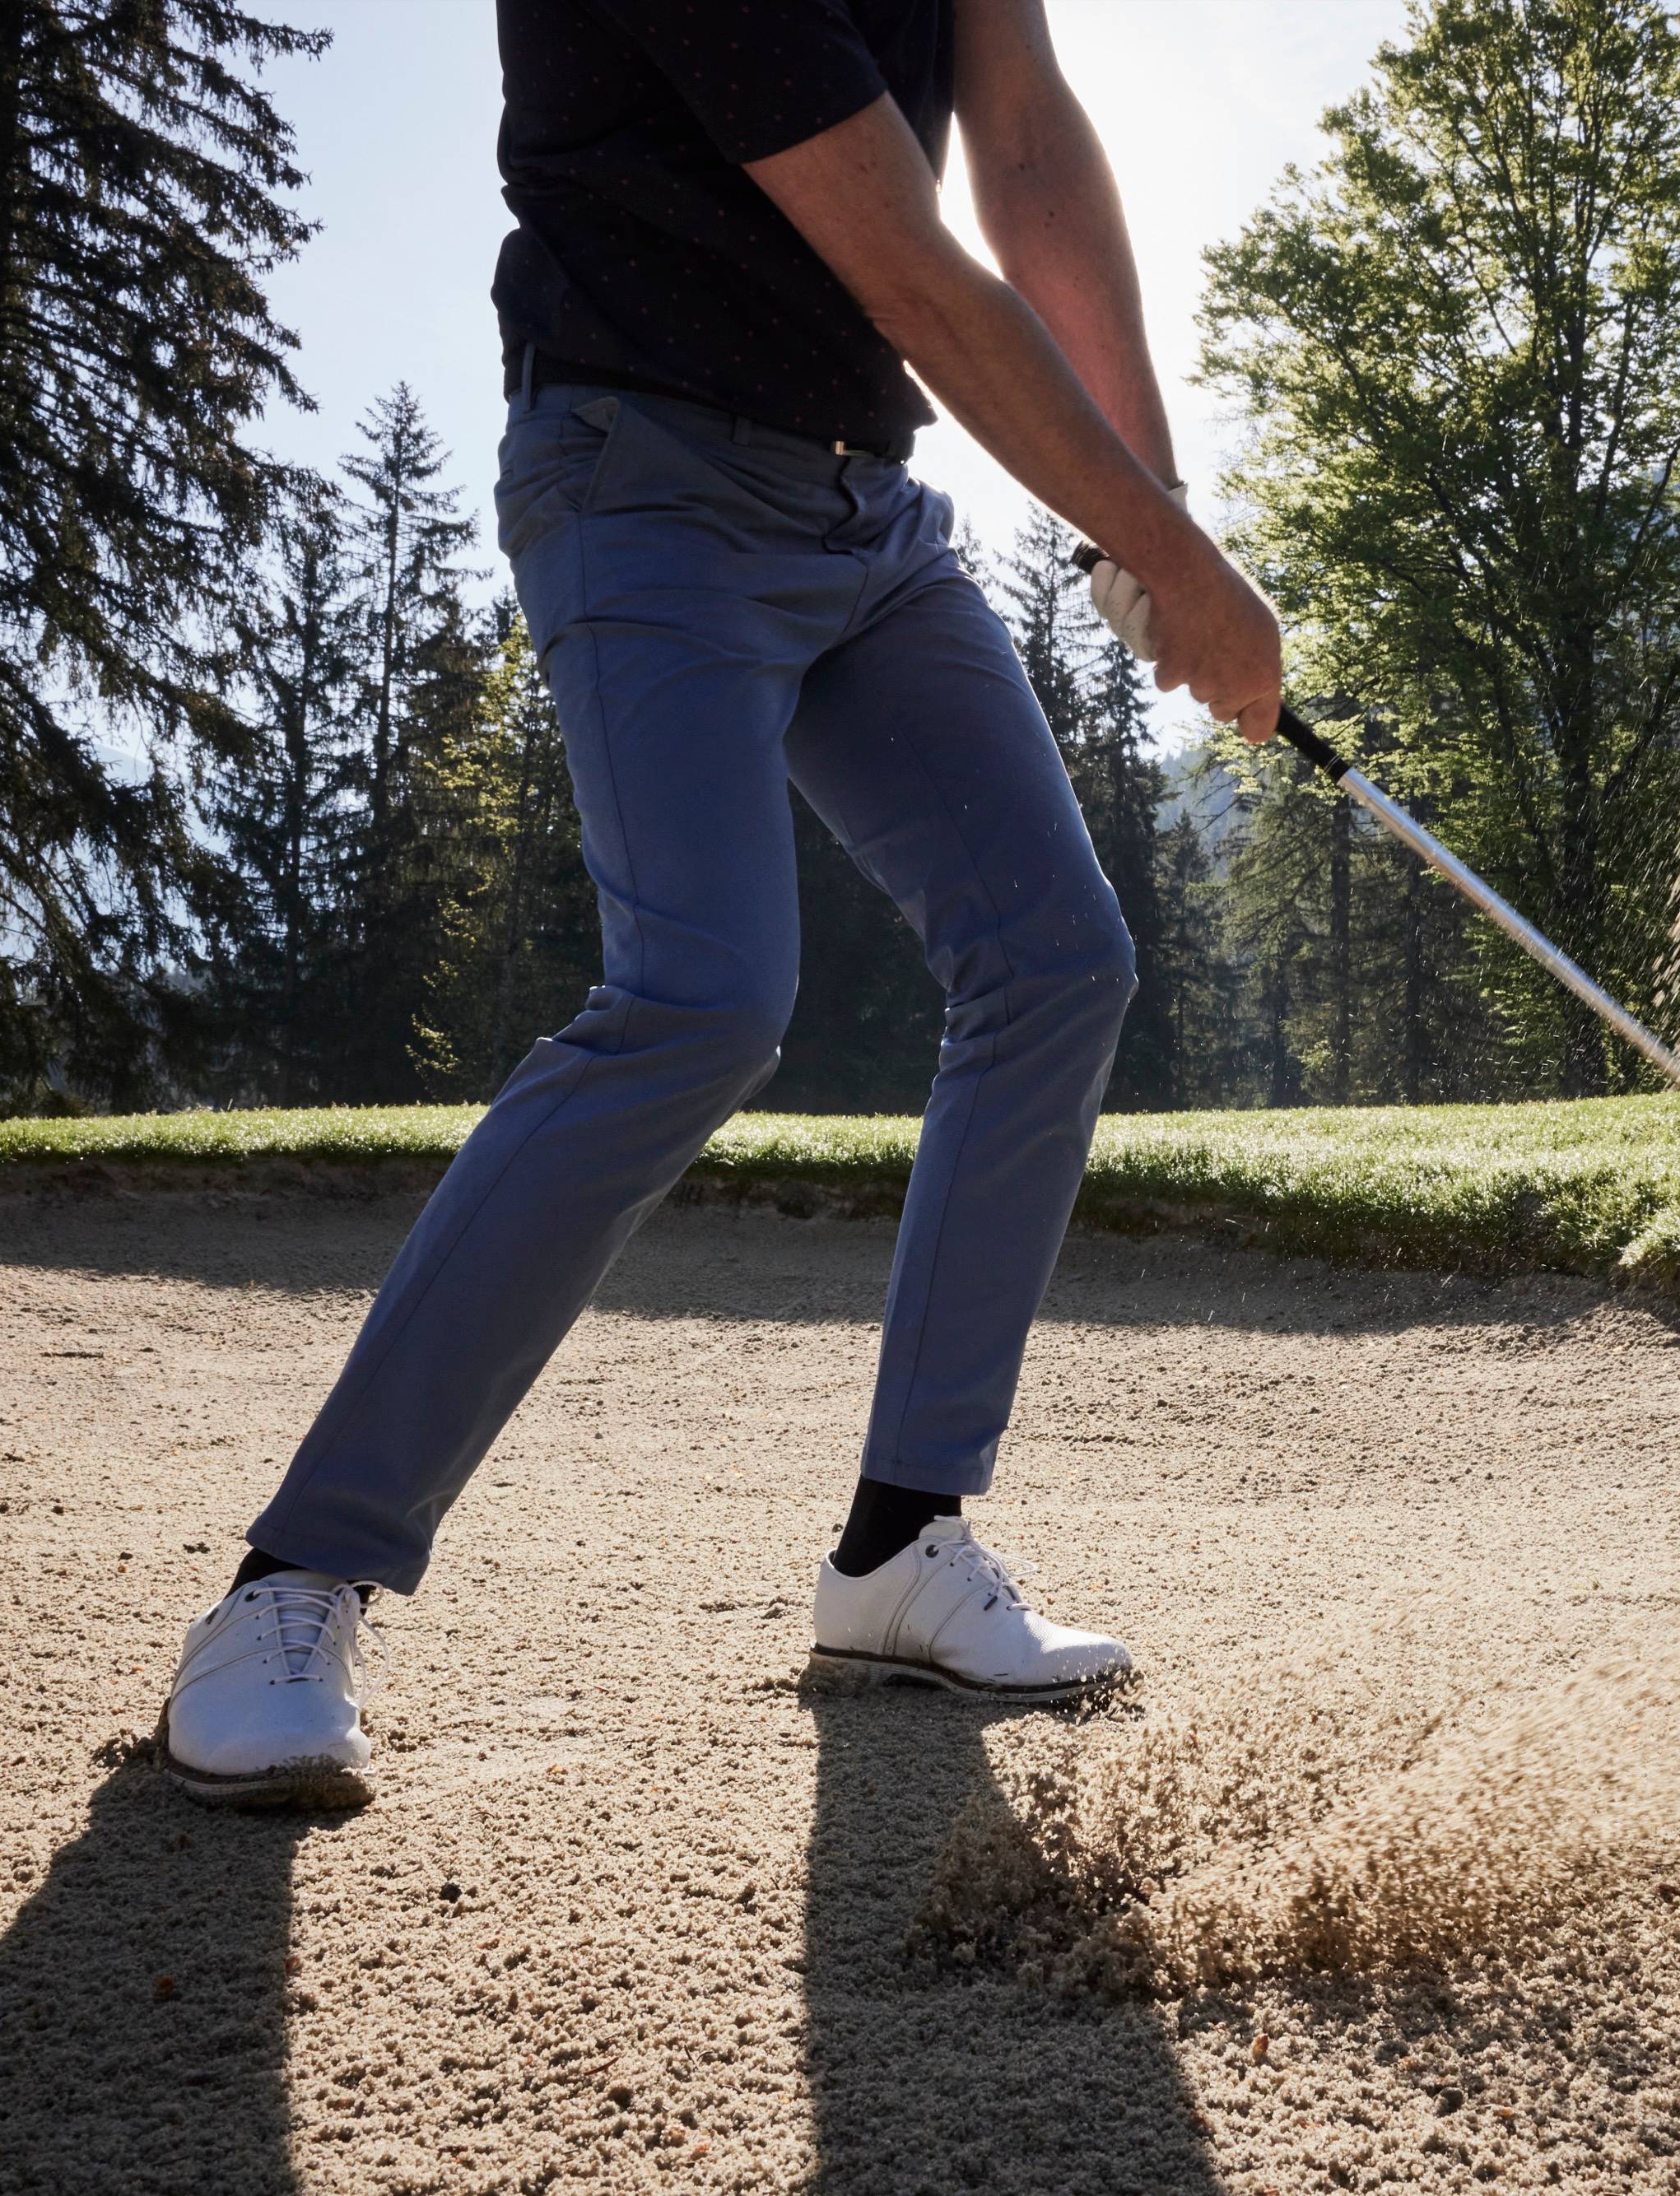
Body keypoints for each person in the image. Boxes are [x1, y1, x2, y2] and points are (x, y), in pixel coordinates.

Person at [160, 0, 1282, 1807]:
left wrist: (1141, 503)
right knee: (701, 992)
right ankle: (293, 1584)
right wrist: (1172, 562)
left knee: (1054, 954)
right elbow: (909, 266)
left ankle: (902, 1547)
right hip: (642, 474)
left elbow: (1029, 139)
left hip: (867, 518)